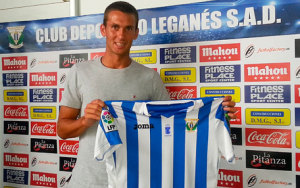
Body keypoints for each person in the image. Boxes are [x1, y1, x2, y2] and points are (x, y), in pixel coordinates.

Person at [57, 1, 237, 187]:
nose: (121, 35)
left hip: (135, 180)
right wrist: (85, 120)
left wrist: (216, 113)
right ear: (103, 29)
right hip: (88, 181)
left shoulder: (149, 78)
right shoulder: (80, 72)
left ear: (136, 32)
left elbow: (174, 126)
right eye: (115, 27)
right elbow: (62, 130)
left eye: (128, 28)